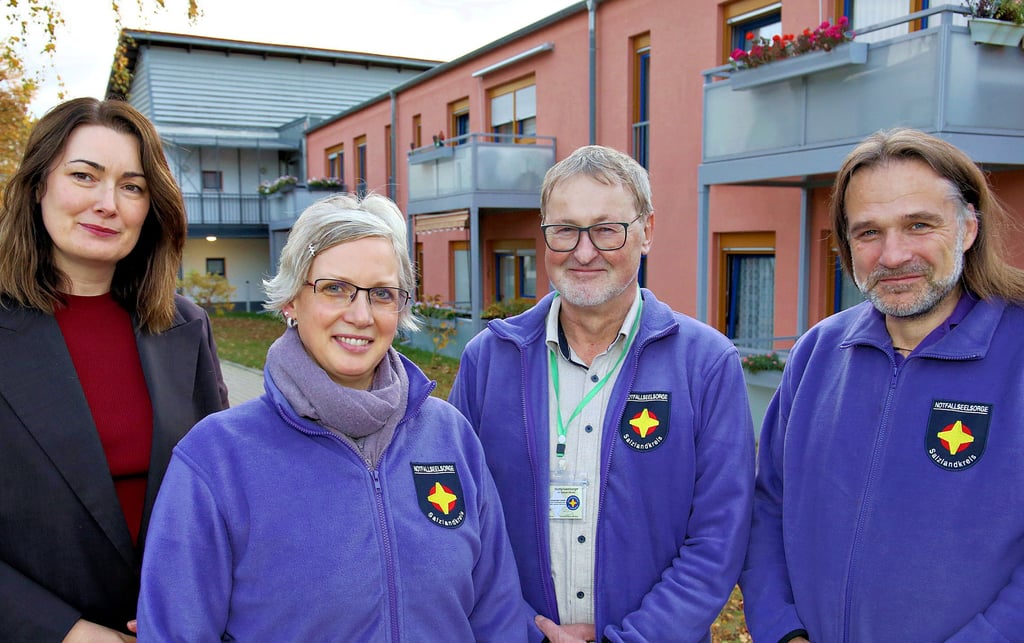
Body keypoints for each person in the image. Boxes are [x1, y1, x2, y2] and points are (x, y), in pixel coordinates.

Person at [137, 193, 527, 640]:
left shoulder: (450, 436)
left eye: (381, 294)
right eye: (335, 288)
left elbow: (497, 614)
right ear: (291, 300)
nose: (360, 315)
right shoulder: (217, 458)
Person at [448, 145, 755, 642]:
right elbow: (459, 522)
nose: (584, 252)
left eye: (607, 230)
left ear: (647, 231)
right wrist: (523, 631)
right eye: (565, 229)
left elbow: (720, 534)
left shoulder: (706, 364)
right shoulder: (488, 360)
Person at [741, 128, 1024, 641]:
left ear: (967, 228)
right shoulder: (817, 353)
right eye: (869, 232)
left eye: (919, 225)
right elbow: (767, 509)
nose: (892, 256)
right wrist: (784, 631)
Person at [0, 97, 229, 641]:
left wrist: (195, 603)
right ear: (38, 186)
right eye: (84, 176)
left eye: (132, 186)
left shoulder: (185, 326)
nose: (108, 204)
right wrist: (69, 632)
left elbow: (224, 491)